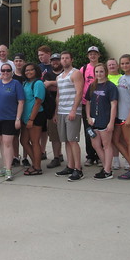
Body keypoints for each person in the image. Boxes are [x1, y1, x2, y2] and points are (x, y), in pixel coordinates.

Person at [0, 62, 24, 181]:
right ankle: (5, 166)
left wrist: (18, 118)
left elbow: (21, 102)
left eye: (8, 70)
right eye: (3, 70)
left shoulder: (16, 84)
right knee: (2, 143)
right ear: (0, 72)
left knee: (8, 142)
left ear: (12, 72)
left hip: (10, 118)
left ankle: (8, 169)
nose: (5, 72)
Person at [53, 51, 84, 182]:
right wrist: (56, 112)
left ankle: (78, 169)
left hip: (72, 112)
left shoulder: (76, 73)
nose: (64, 60)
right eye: (62, 58)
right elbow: (58, 95)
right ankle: (70, 166)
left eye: (67, 58)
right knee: (66, 140)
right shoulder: (59, 77)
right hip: (61, 111)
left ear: (71, 60)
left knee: (73, 140)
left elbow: (79, 92)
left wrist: (73, 110)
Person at [85, 63, 118, 180]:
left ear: (106, 72)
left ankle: (107, 171)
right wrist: (88, 116)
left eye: (101, 71)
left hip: (105, 119)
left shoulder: (111, 86)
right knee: (96, 145)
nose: (99, 74)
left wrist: (111, 122)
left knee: (106, 145)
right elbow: (87, 102)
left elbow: (114, 105)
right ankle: (106, 167)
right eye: (97, 72)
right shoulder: (92, 86)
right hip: (94, 120)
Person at [21, 63, 46, 176]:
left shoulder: (38, 83)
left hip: (35, 116)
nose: (29, 72)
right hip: (25, 117)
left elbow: (38, 102)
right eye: (26, 70)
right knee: (24, 141)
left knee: (35, 142)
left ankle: (37, 167)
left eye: (31, 70)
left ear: (36, 71)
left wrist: (31, 119)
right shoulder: (25, 83)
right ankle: (35, 163)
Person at [80, 46, 101, 166]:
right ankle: (90, 156)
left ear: (98, 55)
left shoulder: (102, 68)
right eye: (90, 54)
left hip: (100, 104)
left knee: (100, 130)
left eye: (95, 54)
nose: (93, 56)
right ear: (88, 56)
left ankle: (100, 155)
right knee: (88, 130)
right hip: (86, 103)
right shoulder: (83, 69)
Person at [43, 53, 64, 169]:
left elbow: (67, 85)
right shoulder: (48, 74)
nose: (55, 62)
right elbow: (46, 87)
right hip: (51, 109)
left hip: (66, 107)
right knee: (54, 136)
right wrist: (58, 85)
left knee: (68, 137)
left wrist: (51, 83)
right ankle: (57, 157)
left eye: (57, 60)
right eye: (53, 60)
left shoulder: (66, 73)